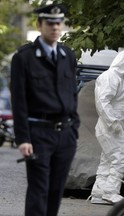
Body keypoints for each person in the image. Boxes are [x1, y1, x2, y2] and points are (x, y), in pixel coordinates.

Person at [10, 4, 80, 216]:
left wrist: (74, 129)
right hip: (39, 133)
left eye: (59, 23)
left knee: (55, 191)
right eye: (50, 23)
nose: (55, 27)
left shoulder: (67, 55)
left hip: (66, 134)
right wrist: (23, 138)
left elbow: (72, 94)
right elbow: (19, 101)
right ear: (40, 25)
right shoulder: (24, 58)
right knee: (39, 191)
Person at [88, 49, 124, 204]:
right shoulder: (110, 77)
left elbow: (119, 107)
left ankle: (98, 193)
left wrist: (123, 127)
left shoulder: (118, 78)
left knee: (108, 160)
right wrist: (113, 122)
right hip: (110, 128)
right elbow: (102, 102)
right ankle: (110, 192)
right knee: (120, 159)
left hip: (114, 128)